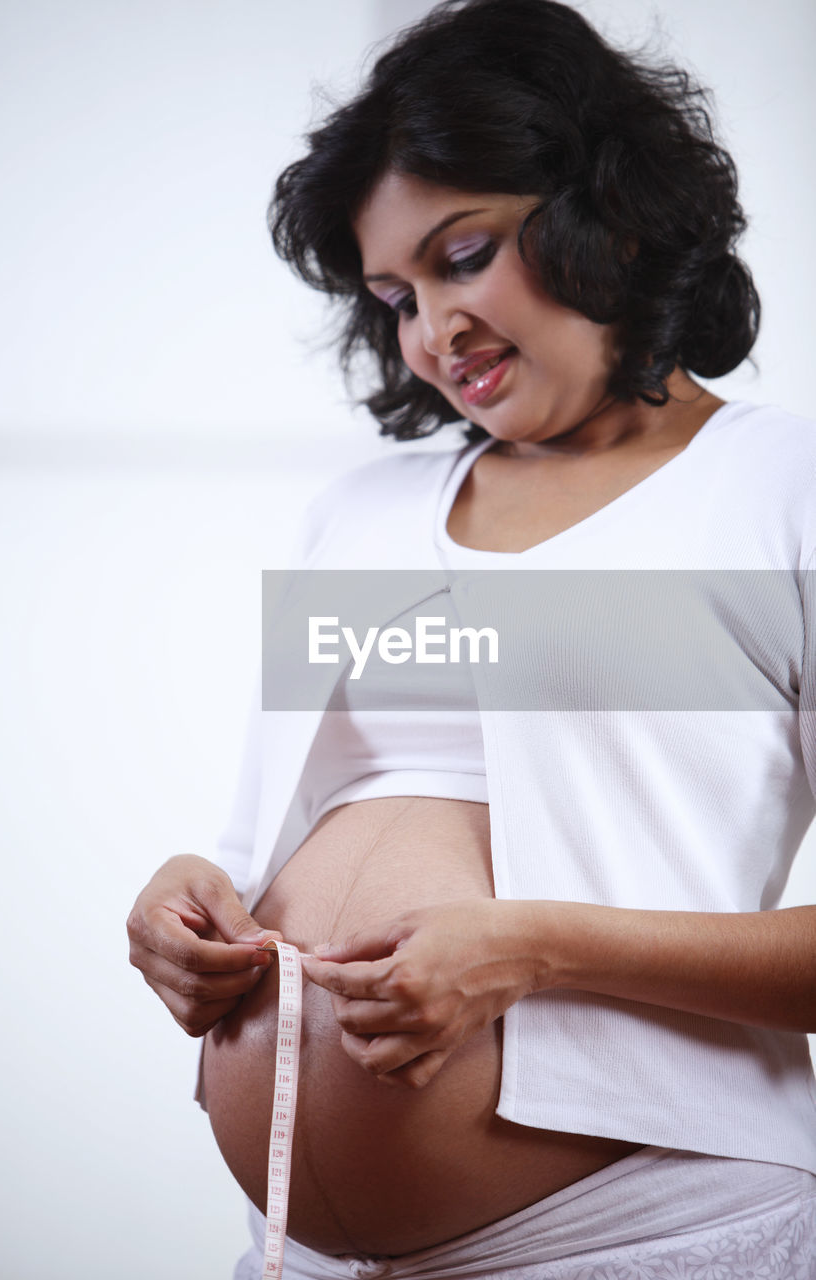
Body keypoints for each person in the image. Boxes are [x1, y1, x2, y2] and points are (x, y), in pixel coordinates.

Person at [126, 1, 816, 1275]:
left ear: (604, 209)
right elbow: (263, 839)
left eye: (463, 254)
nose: (430, 332)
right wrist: (187, 902)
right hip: (308, 1247)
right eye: (393, 294)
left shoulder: (782, 488)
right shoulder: (358, 512)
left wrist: (535, 946)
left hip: (655, 1223)